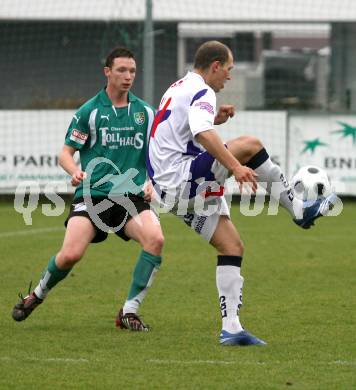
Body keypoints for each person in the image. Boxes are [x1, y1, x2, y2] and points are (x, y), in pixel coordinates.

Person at [147, 40, 336, 346]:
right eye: (229, 70)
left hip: (169, 188)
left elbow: (184, 129)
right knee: (249, 145)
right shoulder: (202, 90)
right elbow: (202, 133)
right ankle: (298, 209)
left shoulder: (178, 85)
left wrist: (215, 120)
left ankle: (231, 328)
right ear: (216, 66)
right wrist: (235, 166)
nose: (230, 78)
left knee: (232, 247)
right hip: (181, 179)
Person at [12, 47, 164, 331]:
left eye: (132, 71)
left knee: (155, 240)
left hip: (130, 197)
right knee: (70, 254)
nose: (128, 76)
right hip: (93, 196)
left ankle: (129, 311)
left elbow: (161, 151)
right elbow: (65, 153)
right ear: (107, 72)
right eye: (121, 70)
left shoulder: (145, 112)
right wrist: (74, 171)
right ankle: (38, 294)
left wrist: (151, 181)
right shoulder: (90, 111)